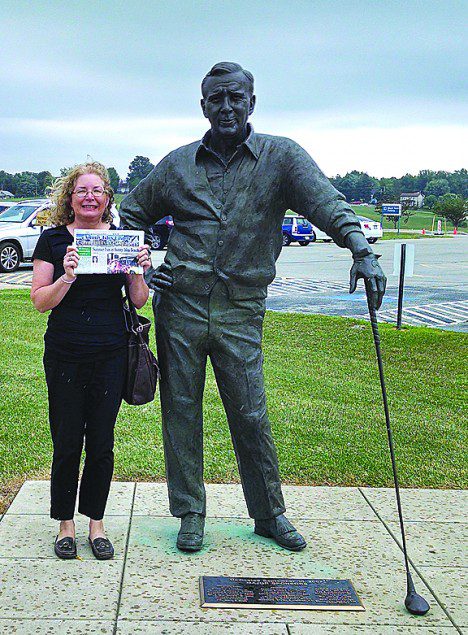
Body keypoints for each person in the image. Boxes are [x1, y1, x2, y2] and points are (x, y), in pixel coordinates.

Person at [120, 62, 386, 553]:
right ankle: (190, 511)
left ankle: (268, 513)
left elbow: (327, 204)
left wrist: (361, 249)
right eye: (216, 99)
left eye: (235, 98)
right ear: (203, 106)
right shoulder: (177, 164)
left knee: (250, 411)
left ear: (251, 102)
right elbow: (132, 212)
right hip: (179, 307)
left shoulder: (281, 158)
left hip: (241, 309)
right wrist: (143, 265)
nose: (226, 107)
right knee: (181, 411)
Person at [31, 162, 151, 559]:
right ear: (70, 198)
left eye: (97, 190)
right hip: (65, 353)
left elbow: (138, 301)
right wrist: (67, 276)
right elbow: (39, 301)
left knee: (101, 443)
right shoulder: (52, 240)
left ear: (107, 198)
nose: (89, 197)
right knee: (67, 441)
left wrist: (139, 271)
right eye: (81, 190)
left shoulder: (121, 240)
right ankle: (65, 524)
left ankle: (96, 523)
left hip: (110, 353)